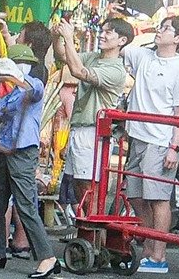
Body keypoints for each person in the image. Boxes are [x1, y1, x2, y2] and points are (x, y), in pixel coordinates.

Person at [119, 16, 179, 274]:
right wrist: (121, 16)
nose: (160, 31)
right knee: (136, 195)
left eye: (167, 29)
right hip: (137, 136)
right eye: (160, 26)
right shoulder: (144, 57)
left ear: (178, 39)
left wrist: (175, 146)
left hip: (161, 139)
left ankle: (159, 255)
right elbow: (123, 45)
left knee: (158, 197)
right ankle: (150, 245)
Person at [0, 44, 60, 277]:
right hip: (5, 149)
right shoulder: (9, 92)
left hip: (22, 151)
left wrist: (16, 76)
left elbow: (33, 91)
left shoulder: (32, 85)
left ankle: (47, 257)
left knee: (26, 205)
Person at [53, 16, 132, 214]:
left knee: (90, 187)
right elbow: (64, 55)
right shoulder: (94, 57)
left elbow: (78, 71)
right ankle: (87, 233)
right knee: (79, 186)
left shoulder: (116, 70)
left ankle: (95, 237)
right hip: (80, 127)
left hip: (93, 132)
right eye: (102, 30)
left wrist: (69, 38)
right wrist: (57, 37)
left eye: (108, 32)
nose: (102, 35)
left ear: (122, 40)